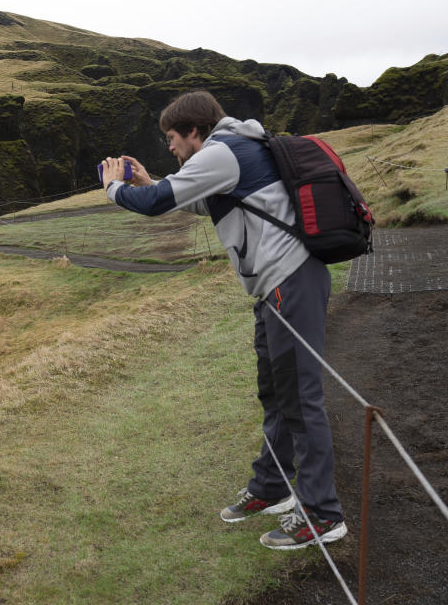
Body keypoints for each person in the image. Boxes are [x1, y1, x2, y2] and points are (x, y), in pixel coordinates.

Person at [100, 90, 346, 550]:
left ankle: (321, 513)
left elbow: (156, 204)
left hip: (288, 282)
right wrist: (152, 180)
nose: (170, 146)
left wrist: (115, 187)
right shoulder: (229, 152)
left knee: (301, 398)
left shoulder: (223, 151)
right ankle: (271, 487)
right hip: (276, 286)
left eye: (172, 138)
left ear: (194, 131)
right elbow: (203, 201)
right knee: (276, 393)